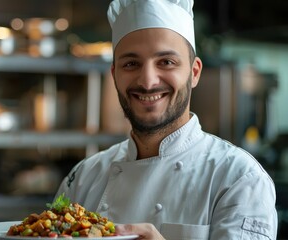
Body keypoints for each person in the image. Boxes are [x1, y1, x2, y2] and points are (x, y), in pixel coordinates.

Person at [54, 0, 278, 239]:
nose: (148, 81)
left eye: (166, 62)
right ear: (114, 74)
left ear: (194, 73)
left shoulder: (239, 179)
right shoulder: (83, 177)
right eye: (131, 64)